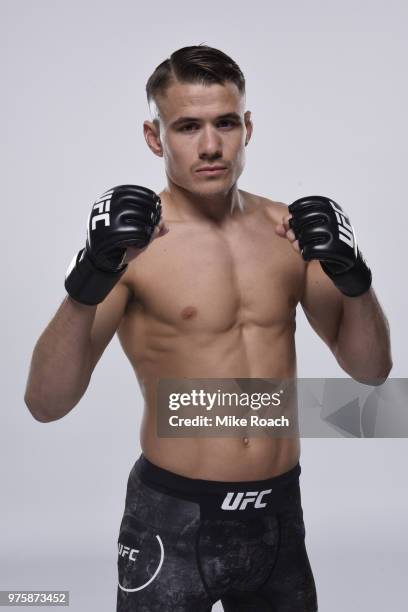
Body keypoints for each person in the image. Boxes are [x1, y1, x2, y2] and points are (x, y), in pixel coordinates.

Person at [24, 45, 392, 611]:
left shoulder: (286, 232)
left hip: (278, 516)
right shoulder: (133, 249)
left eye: (224, 123)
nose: (211, 145)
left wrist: (356, 278)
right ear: (155, 137)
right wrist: (87, 281)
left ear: (247, 127)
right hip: (173, 520)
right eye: (187, 126)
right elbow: (46, 404)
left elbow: (371, 372)